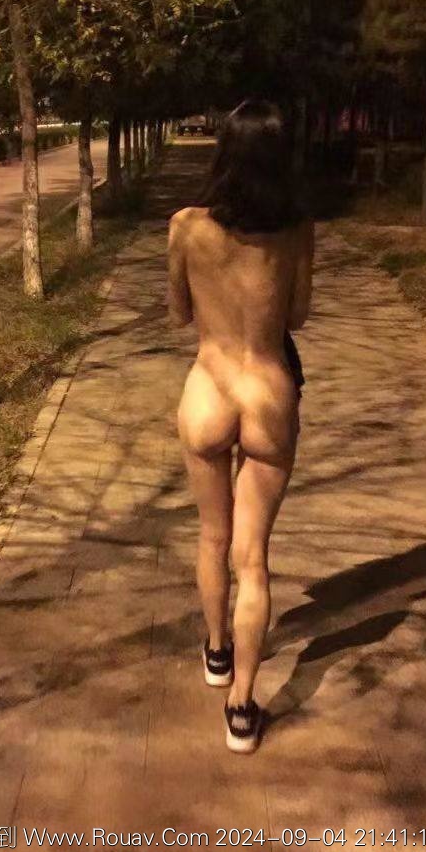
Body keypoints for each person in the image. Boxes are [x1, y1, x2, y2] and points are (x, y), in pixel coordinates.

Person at [168, 98, 314, 754]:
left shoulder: (185, 227)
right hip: (269, 397)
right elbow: (299, 316)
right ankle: (243, 707)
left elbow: (178, 313)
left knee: (211, 537)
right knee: (252, 559)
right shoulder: (298, 231)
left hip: (208, 389)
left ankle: (217, 650)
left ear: (223, 151)